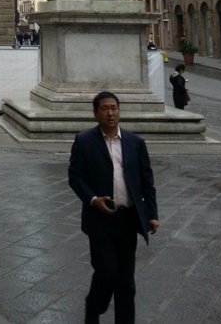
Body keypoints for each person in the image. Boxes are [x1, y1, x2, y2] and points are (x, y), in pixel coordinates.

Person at [69, 91, 159, 324]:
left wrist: (152, 214)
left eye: (114, 108)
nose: (110, 113)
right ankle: (94, 306)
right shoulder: (84, 141)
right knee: (107, 273)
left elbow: (147, 182)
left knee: (126, 281)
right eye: (105, 109)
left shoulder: (135, 143)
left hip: (127, 219)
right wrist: (93, 199)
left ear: (119, 111)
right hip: (100, 220)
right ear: (95, 113)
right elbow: (75, 177)